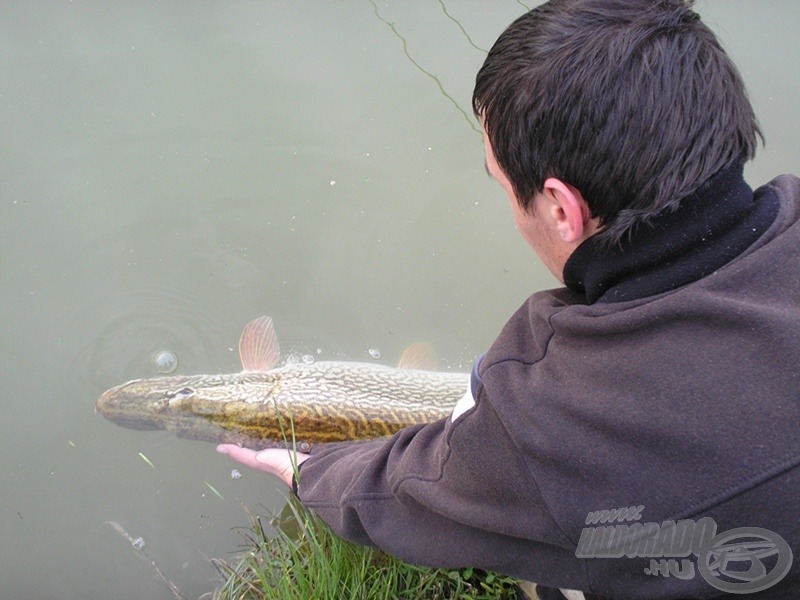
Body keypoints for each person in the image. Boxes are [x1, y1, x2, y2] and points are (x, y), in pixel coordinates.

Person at [219, 1, 800, 598]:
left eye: (500, 184)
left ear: (560, 208)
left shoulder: (550, 413)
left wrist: (309, 473)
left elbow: (408, 494)